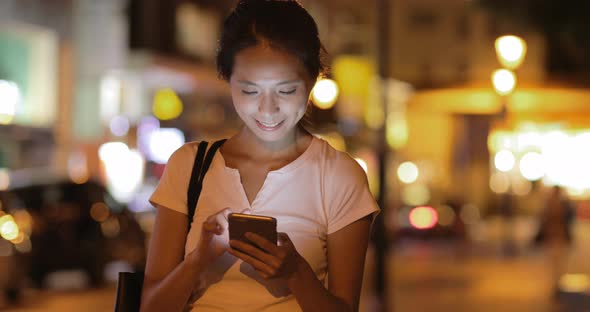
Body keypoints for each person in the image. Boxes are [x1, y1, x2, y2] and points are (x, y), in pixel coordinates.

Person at [140, 1, 380, 311]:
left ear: (312, 80)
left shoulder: (337, 175)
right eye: (250, 90)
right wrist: (199, 260)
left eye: (286, 90)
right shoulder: (189, 167)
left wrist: (296, 272)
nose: (268, 109)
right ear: (228, 80)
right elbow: (151, 307)